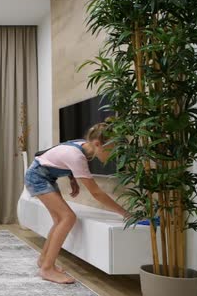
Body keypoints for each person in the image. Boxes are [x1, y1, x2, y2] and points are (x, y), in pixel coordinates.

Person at [24, 122, 128, 284]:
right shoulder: (77, 156)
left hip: (44, 176)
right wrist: (124, 213)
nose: (113, 154)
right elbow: (96, 193)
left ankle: (44, 261)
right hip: (38, 177)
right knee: (68, 218)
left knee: (60, 219)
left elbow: (60, 159)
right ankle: (47, 269)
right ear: (98, 144)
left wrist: (73, 180)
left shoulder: (82, 146)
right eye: (111, 149)